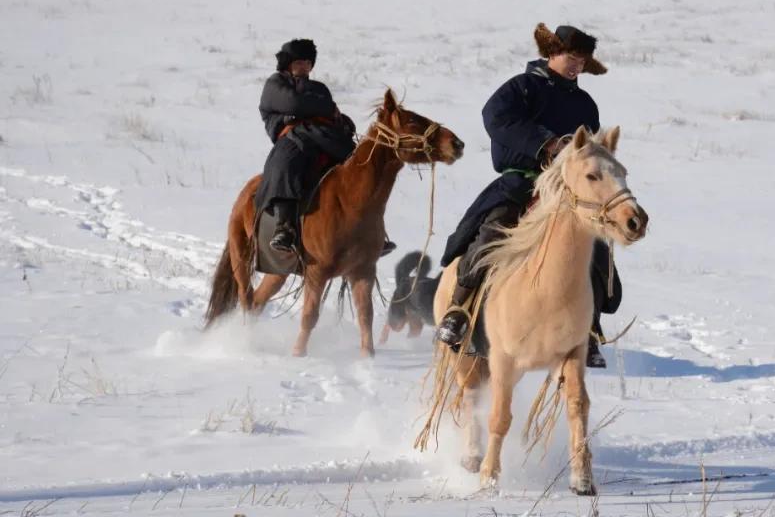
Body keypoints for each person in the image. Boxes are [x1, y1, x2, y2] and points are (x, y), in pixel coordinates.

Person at [436, 23, 621, 368]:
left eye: (582, 59)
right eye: (571, 56)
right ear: (552, 52)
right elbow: (495, 118)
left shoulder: (585, 104)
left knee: (591, 251)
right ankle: (458, 310)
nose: (576, 65)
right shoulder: (521, 88)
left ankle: (589, 328)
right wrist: (548, 144)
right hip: (523, 181)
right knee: (492, 231)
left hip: (567, 193)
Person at [254, 38, 394, 255]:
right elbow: (293, 103)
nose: (304, 66)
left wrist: (342, 121)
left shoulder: (319, 88)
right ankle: (285, 227)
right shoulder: (275, 84)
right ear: (288, 63)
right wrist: (325, 108)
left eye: (308, 62)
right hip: (292, 138)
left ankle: (370, 230)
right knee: (286, 165)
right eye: (299, 62)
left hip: (324, 137)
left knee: (358, 171)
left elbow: (324, 112)